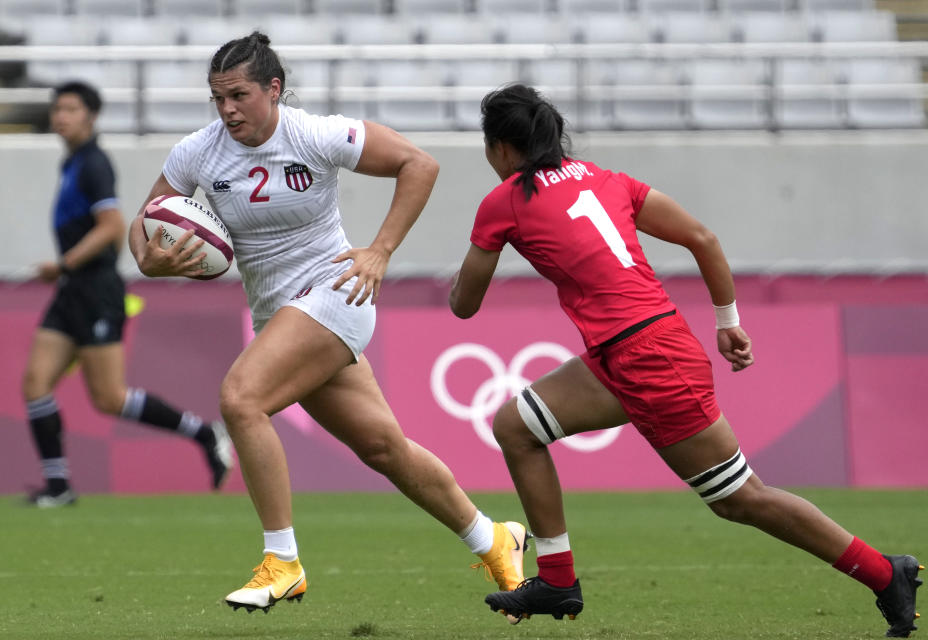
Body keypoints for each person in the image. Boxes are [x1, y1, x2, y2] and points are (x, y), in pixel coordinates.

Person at [449, 83, 923, 637]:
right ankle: (557, 578)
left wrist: (473, 263)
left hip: (647, 360)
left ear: (502, 148)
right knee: (516, 426)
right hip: (635, 347)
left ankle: (885, 572)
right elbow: (702, 237)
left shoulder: (504, 200)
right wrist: (728, 322)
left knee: (742, 499)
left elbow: (464, 306)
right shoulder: (607, 179)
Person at [126, 32, 527, 614]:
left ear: (274, 89)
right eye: (217, 98)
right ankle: (494, 539)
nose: (227, 109)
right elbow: (145, 221)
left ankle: (282, 561)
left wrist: (381, 250)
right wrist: (149, 259)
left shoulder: (313, 134)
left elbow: (420, 164)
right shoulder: (198, 152)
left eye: (238, 95)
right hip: (279, 315)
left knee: (241, 399)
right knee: (384, 448)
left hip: (337, 293)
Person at [23, 81, 234, 508]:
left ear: (91, 117)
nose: (60, 116)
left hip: (96, 290)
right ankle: (59, 486)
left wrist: (63, 265)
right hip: (72, 291)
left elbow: (113, 228)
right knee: (35, 383)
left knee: (109, 397)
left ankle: (204, 433)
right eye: (57, 109)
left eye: (70, 109)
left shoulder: (95, 164)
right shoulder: (73, 163)